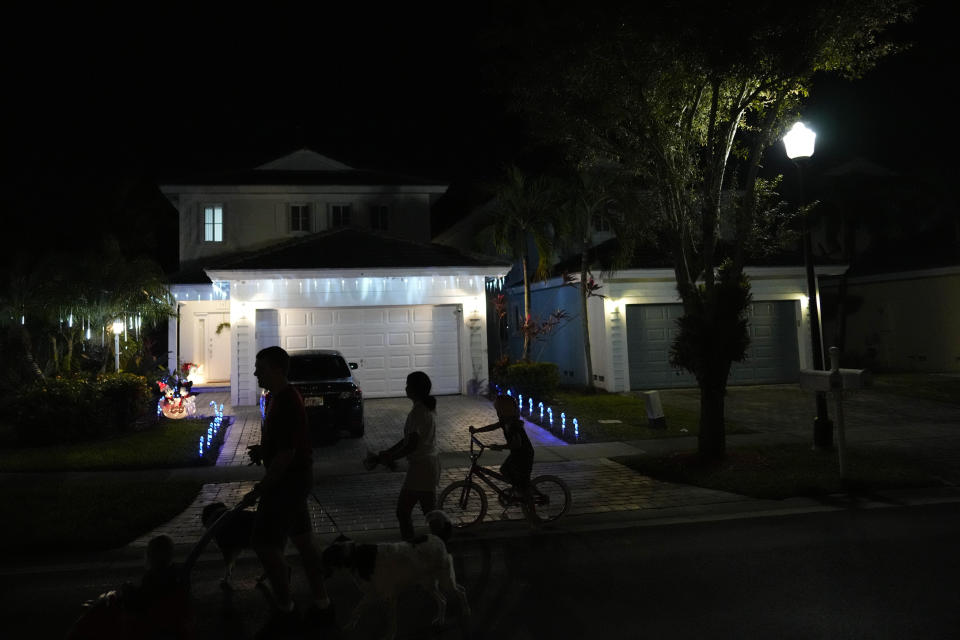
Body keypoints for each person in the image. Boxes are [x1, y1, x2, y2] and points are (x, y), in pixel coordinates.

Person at [241, 346, 333, 637]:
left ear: (278, 370)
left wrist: (262, 488)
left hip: (287, 483)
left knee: (265, 543)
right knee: (304, 542)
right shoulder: (274, 399)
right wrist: (263, 449)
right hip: (292, 480)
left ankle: (285, 608)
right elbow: (281, 443)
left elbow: (287, 453)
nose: (256, 373)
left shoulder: (289, 401)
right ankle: (322, 603)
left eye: (261, 368)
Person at [377, 371, 441, 541]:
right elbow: (408, 439)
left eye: (408, 384)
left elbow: (411, 444)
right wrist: (390, 451)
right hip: (428, 466)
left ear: (415, 389)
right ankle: (440, 542)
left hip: (421, 468)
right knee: (429, 511)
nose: (405, 388)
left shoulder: (418, 412)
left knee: (403, 511)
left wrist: (392, 457)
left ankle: (412, 545)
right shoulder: (424, 408)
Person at [470, 394, 534, 501]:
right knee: (505, 470)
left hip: (525, 454)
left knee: (522, 481)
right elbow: (492, 427)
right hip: (516, 453)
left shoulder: (514, 425)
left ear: (507, 411)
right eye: (497, 410)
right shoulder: (505, 421)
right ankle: (517, 489)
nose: (498, 413)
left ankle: (528, 501)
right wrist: (477, 430)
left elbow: (517, 444)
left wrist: (500, 447)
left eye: (500, 410)